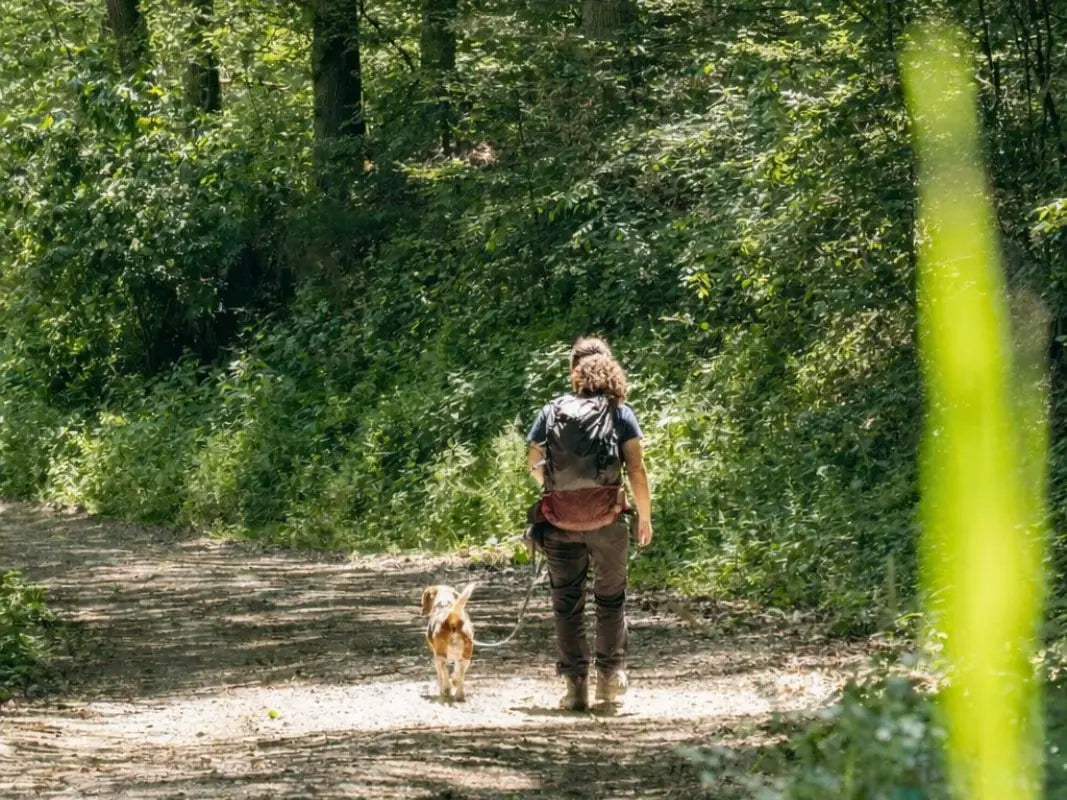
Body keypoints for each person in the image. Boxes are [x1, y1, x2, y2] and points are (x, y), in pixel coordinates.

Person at [526, 337, 653, 710]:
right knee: (610, 600)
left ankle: (575, 687)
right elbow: (637, 470)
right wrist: (643, 515)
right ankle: (610, 680)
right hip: (609, 521)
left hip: (560, 523)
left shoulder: (551, 411)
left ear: (574, 372)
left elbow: (534, 460)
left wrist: (554, 492)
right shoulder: (620, 413)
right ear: (610, 369)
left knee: (567, 602)